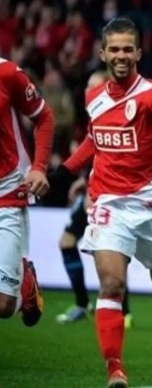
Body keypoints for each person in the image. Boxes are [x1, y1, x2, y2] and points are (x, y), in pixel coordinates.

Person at [49, 17, 152, 388]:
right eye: (114, 49)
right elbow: (94, 140)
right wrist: (63, 172)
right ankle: (115, 369)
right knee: (112, 284)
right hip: (110, 202)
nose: (121, 55)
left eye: (128, 49)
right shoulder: (94, 97)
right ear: (103, 53)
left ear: (139, 53)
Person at [55, 71, 133, 328]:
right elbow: (95, 155)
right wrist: (82, 181)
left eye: (95, 87)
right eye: (88, 87)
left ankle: (122, 310)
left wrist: (91, 190)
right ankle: (83, 303)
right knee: (67, 243)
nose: (91, 92)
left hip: (109, 195)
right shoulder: (92, 119)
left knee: (114, 251)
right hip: (92, 188)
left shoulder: (118, 118)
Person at [0, 58, 53, 327]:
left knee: (3, 306)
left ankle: (25, 283)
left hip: (8, 190)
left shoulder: (7, 73)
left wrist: (39, 167)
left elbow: (43, 117)